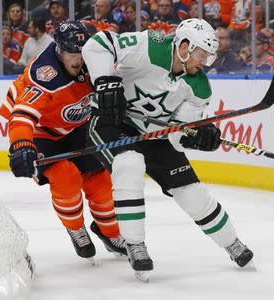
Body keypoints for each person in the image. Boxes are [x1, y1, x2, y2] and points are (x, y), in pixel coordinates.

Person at [82, 18, 254, 279]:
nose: (205, 62)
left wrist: (195, 136)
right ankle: (135, 244)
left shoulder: (200, 88)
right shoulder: (150, 45)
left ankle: (232, 242)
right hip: (111, 122)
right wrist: (105, 82)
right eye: (202, 54)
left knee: (191, 190)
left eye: (209, 56)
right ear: (184, 46)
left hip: (154, 134)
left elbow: (176, 133)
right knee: (130, 165)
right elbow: (97, 44)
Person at [0, 21, 126, 263]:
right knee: (66, 177)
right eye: (71, 53)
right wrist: (21, 144)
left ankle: (110, 232)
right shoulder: (45, 73)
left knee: (100, 179)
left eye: (81, 52)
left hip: (76, 127)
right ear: (58, 49)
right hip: (42, 132)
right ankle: (76, 227)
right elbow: (23, 115)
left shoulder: (95, 59)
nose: (78, 60)